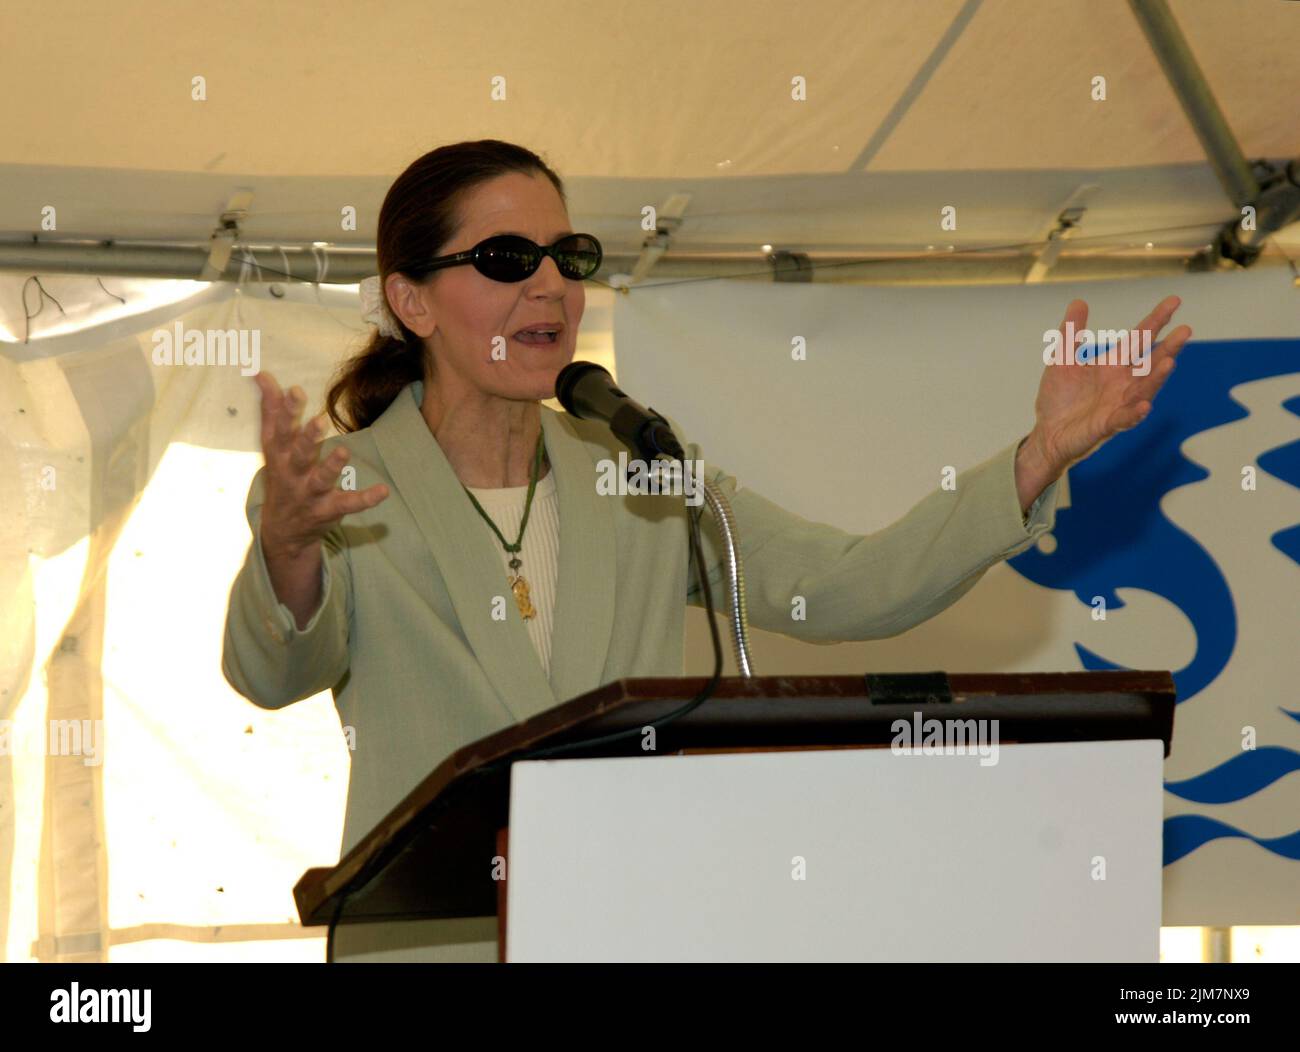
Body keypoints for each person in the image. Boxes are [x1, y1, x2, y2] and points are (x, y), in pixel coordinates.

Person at [221, 139, 1190, 962]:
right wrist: (289, 545)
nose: (551, 282)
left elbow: (840, 584)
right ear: (413, 300)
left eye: (569, 254)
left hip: (624, 936)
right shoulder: (330, 484)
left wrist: (1036, 458)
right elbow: (272, 670)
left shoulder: (643, 472)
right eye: (510, 256)